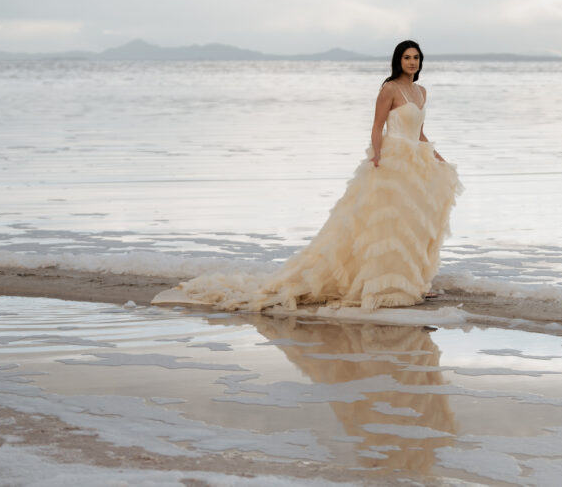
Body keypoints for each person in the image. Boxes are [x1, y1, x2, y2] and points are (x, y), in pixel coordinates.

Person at [154, 40, 462, 311]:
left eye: (416, 58)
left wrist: (439, 158)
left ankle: (415, 282)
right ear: (398, 61)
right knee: (386, 227)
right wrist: (377, 155)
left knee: (412, 224)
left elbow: (419, 132)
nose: (412, 62)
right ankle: (384, 286)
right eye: (407, 57)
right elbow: (377, 126)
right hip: (393, 161)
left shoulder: (421, 91)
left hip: (415, 163)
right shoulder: (389, 89)